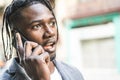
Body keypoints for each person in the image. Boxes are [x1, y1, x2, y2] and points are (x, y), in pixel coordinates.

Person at [0, 0, 84, 80]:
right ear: (16, 36)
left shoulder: (74, 73)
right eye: (36, 26)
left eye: (52, 23)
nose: (50, 32)